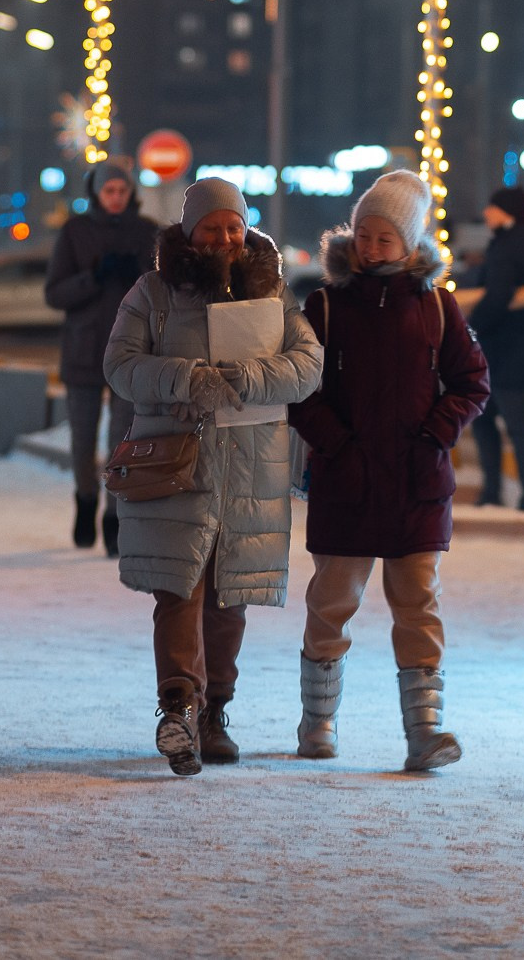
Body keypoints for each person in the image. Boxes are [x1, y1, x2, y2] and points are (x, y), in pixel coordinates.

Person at [104, 178, 319, 777]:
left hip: (250, 467)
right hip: (178, 464)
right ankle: (177, 707)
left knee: (230, 598)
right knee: (179, 589)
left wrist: (251, 376)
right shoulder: (153, 292)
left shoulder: (272, 293)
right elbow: (120, 365)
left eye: (233, 226)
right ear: (189, 232)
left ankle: (213, 712)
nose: (223, 237)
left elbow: (307, 366)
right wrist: (186, 378)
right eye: (210, 227)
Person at [289, 170, 490, 773]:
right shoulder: (324, 305)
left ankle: (424, 732)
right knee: (331, 604)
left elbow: (471, 381)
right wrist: (339, 446)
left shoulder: (435, 306)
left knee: (418, 606)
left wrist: (435, 434)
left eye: (385, 238)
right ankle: (318, 722)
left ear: (410, 244)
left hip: (415, 485)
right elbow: (302, 391)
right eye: (365, 234)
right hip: (347, 485)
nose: (372, 247)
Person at [43, 160, 157, 554]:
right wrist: (93, 277)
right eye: (109, 191)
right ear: (96, 193)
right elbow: (55, 293)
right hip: (83, 351)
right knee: (82, 438)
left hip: (129, 351)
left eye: (121, 191)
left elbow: (161, 291)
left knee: (122, 440)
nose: (115, 198)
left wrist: (136, 274)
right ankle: (85, 499)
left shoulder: (146, 232)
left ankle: (114, 515)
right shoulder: (75, 231)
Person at [465, 185, 524, 518]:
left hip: (503, 353)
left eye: (492, 207)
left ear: (506, 212)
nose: (486, 213)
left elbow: (497, 297)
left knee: (500, 426)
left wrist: (471, 329)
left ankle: (504, 496)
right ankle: (522, 498)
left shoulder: (507, 247)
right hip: (521, 350)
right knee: (516, 426)